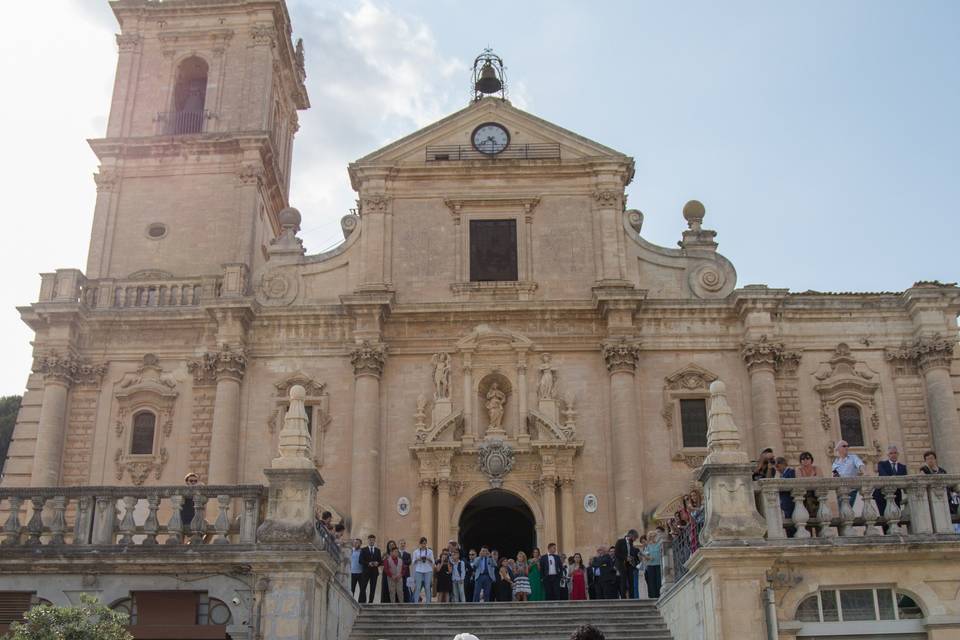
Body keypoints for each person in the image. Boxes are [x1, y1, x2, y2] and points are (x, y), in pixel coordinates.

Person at [920, 451, 959, 521]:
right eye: (927, 459)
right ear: (925, 461)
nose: (930, 460)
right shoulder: (924, 470)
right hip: (932, 497)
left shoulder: (942, 471)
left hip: (945, 496)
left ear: (935, 459)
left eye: (931, 458)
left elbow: (948, 483)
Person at [875, 444, 907, 516]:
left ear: (898, 454)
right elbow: (884, 475)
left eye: (895, 453)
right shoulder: (882, 464)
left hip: (896, 494)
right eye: (891, 453)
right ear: (888, 455)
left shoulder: (903, 467)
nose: (893, 455)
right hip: (881, 495)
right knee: (884, 516)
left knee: (896, 515)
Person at [832, 440, 865, 507]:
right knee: (843, 512)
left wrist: (865, 473)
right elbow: (835, 475)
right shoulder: (835, 462)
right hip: (841, 491)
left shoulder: (853, 457)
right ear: (838, 449)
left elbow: (860, 465)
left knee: (849, 510)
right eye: (844, 446)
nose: (846, 447)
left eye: (848, 446)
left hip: (852, 490)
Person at [614, 529, 639, 599]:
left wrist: (632, 558)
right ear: (630, 535)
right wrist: (625, 558)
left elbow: (632, 553)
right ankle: (623, 597)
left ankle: (632, 597)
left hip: (630, 564)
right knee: (623, 580)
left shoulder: (631, 544)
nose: (635, 540)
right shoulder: (620, 542)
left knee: (631, 580)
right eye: (635, 538)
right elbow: (617, 553)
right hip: (621, 563)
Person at [358, 534, 382, 603]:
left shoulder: (378, 550)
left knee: (373, 588)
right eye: (370, 540)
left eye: (373, 540)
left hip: (374, 572)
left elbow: (380, 561)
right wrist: (368, 563)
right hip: (365, 572)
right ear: (368, 540)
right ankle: (362, 602)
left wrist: (377, 563)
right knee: (363, 587)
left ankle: (370, 602)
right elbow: (360, 560)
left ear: (375, 541)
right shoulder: (363, 550)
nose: (371, 541)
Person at [412, 537, 435, 603]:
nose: (423, 545)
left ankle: (428, 603)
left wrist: (427, 558)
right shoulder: (416, 552)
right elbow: (413, 562)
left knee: (427, 587)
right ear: (420, 544)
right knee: (418, 587)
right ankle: (415, 602)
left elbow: (433, 561)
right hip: (419, 570)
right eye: (422, 543)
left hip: (428, 570)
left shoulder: (430, 551)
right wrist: (418, 559)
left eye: (425, 543)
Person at [641, 531, 662, 599]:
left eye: (653, 536)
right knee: (652, 582)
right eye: (650, 537)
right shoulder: (648, 546)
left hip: (658, 564)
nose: (652, 538)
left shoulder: (659, 545)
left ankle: (660, 595)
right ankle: (653, 597)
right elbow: (645, 556)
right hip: (650, 566)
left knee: (659, 581)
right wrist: (648, 557)